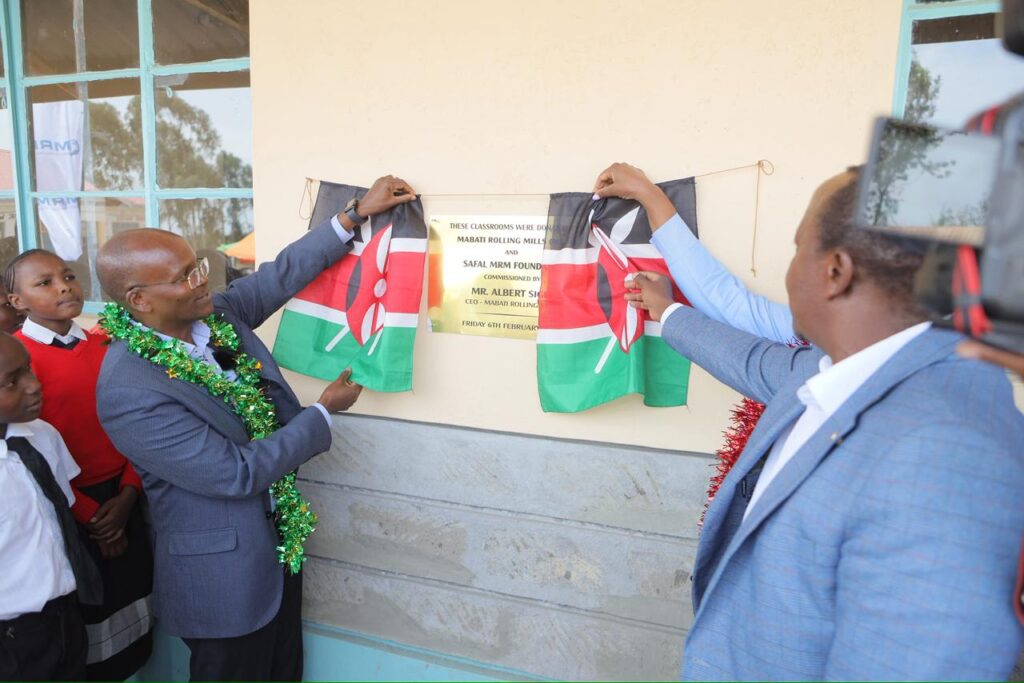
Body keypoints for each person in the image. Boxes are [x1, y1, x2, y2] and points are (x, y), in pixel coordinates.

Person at [616, 166, 1024, 680]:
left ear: (836, 271)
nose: (788, 272)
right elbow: (750, 356)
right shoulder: (836, 366)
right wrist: (668, 311)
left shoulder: (945, 449)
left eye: (796, 249)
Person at [94, 174, 414, 682]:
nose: (201, 280)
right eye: (183, 276)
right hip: (221, 579)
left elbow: (277, 277)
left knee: (283, 671)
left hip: (277, 548)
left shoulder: (214, 316)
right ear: (138, 300)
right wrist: (323, 413)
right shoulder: (129, 389)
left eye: (198, 267)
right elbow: (235, 474)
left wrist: (352, 215)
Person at [4, 248, 153, 680]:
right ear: (18, 302)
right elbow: (30, 460)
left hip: (125, 494)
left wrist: (127, 495)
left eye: (67, 275)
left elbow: (136, 421)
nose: (64, 286)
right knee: (88, 618)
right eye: (44, 283)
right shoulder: (15, 362)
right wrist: (93, 519)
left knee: (133, 601)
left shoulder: (106, 345)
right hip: (68, 506)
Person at [0, 332, 103, 681]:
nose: (33, 385)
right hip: (11, 637)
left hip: (64, 616)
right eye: (11, 381)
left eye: (28, 369)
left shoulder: (42, 436)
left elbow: (59, 517)